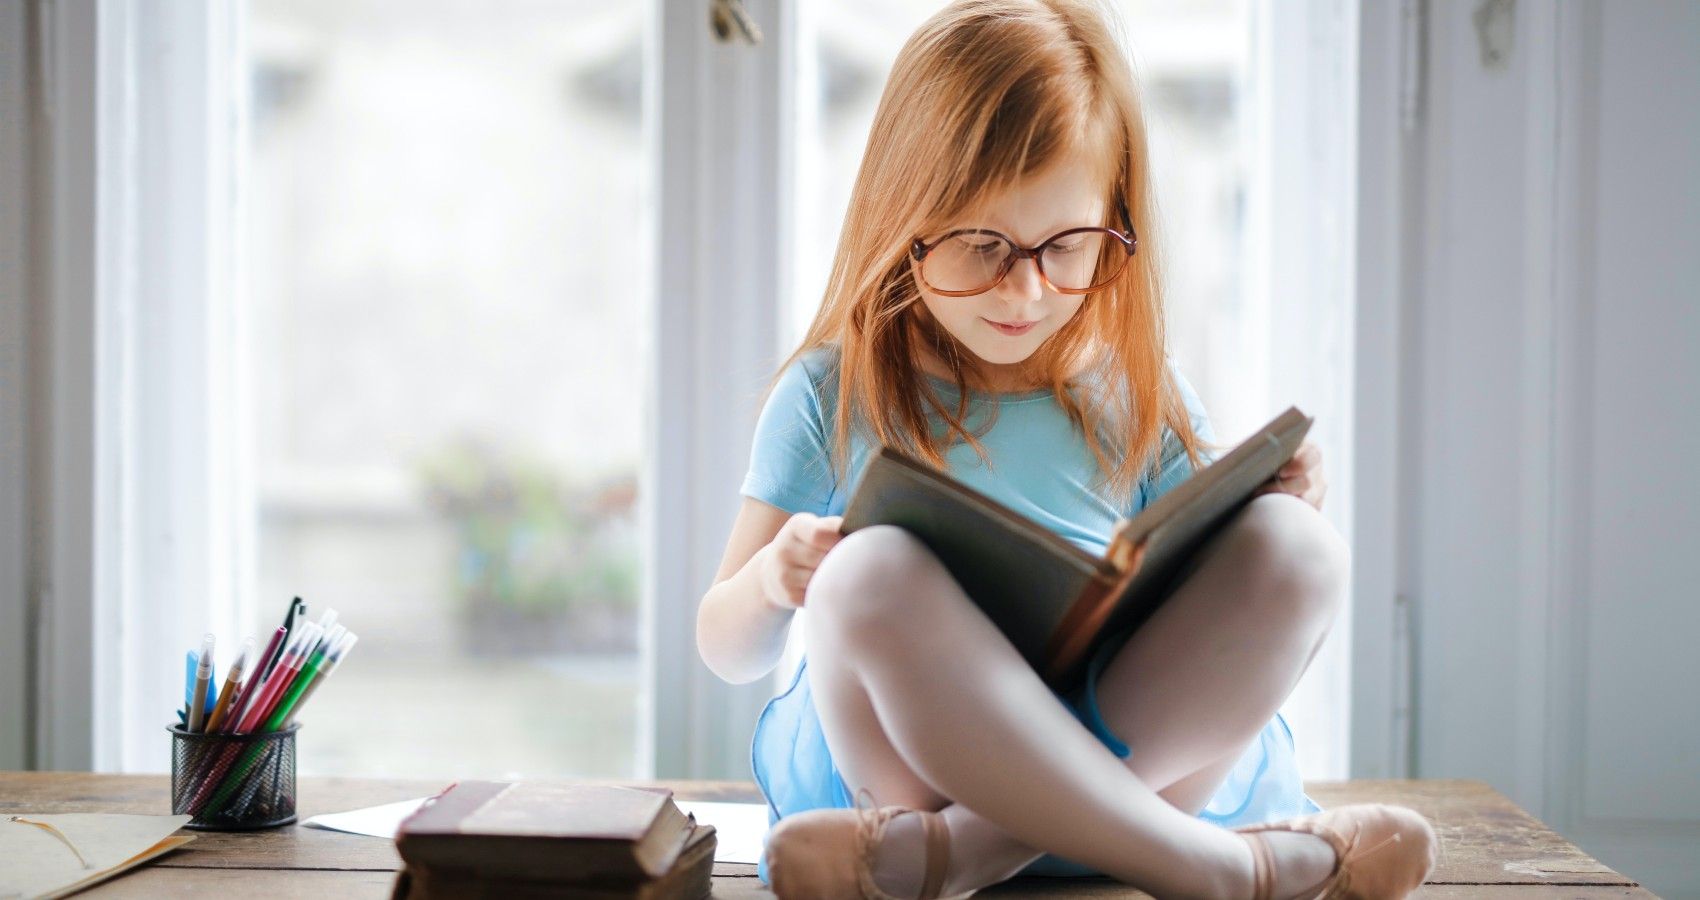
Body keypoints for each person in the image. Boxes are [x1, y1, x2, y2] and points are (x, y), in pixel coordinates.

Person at [695, 1, 1438, 897]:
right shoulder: (833, 391)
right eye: (981, 246)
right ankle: (1226, 871)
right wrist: (777, 580)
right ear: (904, 220)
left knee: (1302, 548)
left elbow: (1210, 588)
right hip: (920, 778)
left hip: (1102, 772)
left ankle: (970, 855)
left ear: (1112, 223)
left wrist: (1276, 498)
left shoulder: (1135, 387)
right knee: (864, 573)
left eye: (1068, 246)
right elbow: (725, 649)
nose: (1026, 289)